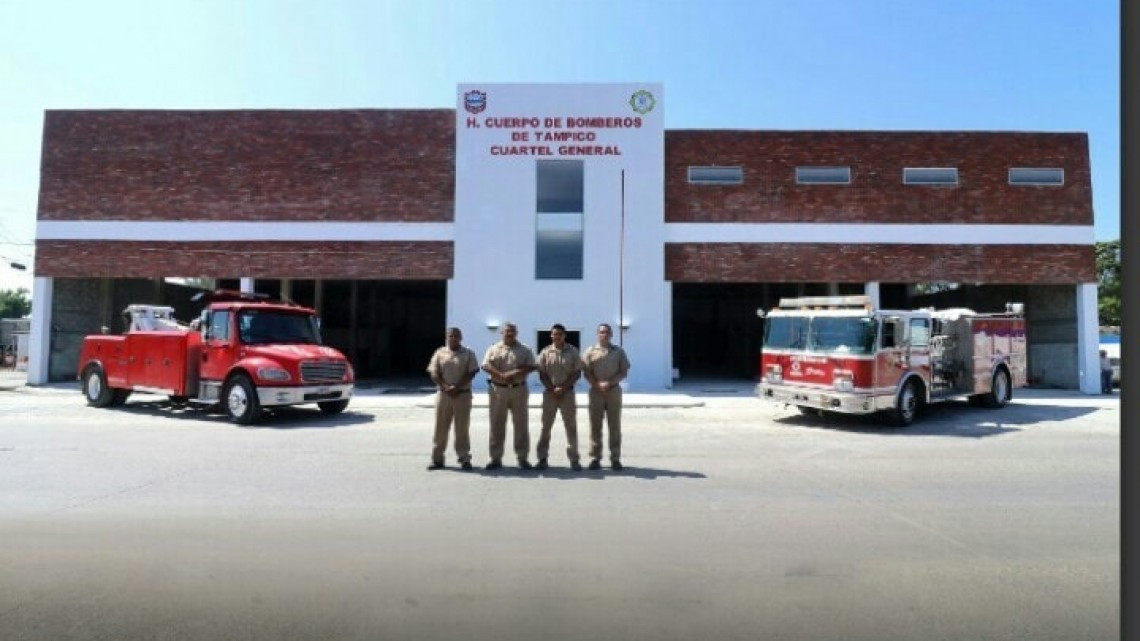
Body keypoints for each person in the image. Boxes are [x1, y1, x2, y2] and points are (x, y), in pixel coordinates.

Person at [481, 322, 537, 470]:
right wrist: (501, 375)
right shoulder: (493, 348)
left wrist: (515, 372)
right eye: (507, 331)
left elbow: (532, 366)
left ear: (516, 333)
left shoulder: (525, 349)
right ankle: (495, 458)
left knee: (521, 425)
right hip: (498, 390)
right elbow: (485, 365)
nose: (510, 333)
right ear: (501, 333)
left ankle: (522, 458)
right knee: (496, 425)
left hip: (519, 390)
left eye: (512, 331)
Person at [426, 327, 480, 470]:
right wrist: (446, 387)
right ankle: (437, 459)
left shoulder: (468, 353)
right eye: (451, 336)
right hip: (444, 395)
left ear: (461, 338)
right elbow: (434, 373)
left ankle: (464, 459)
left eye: (456, 336)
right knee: (440, 428)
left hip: (462, 395)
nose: (453, 338)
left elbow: (472, 371)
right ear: (446, 337)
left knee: (462, 429)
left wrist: (457, 387)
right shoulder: (440, 353)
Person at [582, 323, 631, 470]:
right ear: (597, 334)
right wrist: (597, 385)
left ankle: (615, 458)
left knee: (614, 425)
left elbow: (624, 372)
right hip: (596, 392)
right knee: (595, 426)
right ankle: (595, 458)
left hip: (613, 391)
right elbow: (586, 372)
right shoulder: (590, 351)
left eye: (607, 332)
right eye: (602, 332)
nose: (604, 335)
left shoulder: (619, 351)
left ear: (611, 335)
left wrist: (609, 383)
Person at [535, 323, 582, 471]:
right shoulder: (545, 352)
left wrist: (563, 388)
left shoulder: (573, 351)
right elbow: (541, 373)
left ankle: (574, 460)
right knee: (545, 427)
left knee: (571, 427)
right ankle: (542, 459)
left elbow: (577, 372)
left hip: (567, 394)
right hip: (550, 394)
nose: (557, 336)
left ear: (564, 335)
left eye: (560, 334)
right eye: (554, 334)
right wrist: (552, 388)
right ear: (551, 335)